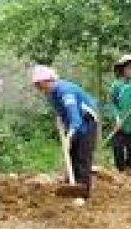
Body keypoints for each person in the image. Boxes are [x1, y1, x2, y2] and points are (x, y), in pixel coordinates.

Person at [31, 65, 98, 201]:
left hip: (86, 122)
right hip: (72, 124)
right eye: (37, 86)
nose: (39, 89)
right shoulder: (51, 94)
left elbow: (75, 118)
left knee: (82, 157)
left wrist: (69, 136)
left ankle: (82, 194)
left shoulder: (65, 90)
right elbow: (61, 112)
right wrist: (61, 123)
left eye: (40, 85)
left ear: (49, 80)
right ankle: (71, 186)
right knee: (71, 154)